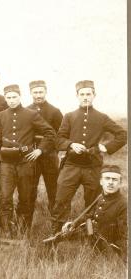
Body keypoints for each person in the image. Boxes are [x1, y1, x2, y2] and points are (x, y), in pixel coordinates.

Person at [50, 80, 127, 234]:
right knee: (61, 201)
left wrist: (105, 147)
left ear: (94, 96)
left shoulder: (102, 117)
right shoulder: (69, 116)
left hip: (93, 167)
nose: (85, 97)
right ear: (77, 96)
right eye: (82, 94)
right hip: (71, 166)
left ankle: (90, 236)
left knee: (92, 203)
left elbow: (122, 134)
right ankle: (56, 235)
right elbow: (58, 139)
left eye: (88, 94)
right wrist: (71, 145)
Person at [0, 84, 55, 237]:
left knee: (25, 198)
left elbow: (50, 133)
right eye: (8, 97)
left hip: (26, 163)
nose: (11, 100)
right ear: (5, 98)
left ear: (20, 97)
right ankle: (6, 231)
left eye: (14, 97)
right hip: (6, 163)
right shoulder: (0, 115)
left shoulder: (31, 114)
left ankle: (23, 231)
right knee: (5, 197)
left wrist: (40, 150)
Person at [60, 165, 127, 262]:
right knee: (61, 246)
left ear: (120, 183)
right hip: (91, 240)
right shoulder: (100, 197)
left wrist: (122, 258)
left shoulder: (124, 205)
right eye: (107, 178)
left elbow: (125, 237)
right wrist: (74, 223)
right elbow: (89, 215)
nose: (110, 182)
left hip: (108, 249)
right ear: (101, 182)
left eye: (114, 180)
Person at [26, 80, 63, 212]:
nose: (38, 95)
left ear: (46, 92)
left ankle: (55, 219)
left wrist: (52, 150)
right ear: (30, 93)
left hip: (49, 155)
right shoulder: (26, 110)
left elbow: (61, 134)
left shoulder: (55, 111)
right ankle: (26, 220)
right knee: (30, 189)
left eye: (41, 92)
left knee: (53, 188)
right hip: (31, 156)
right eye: (35, 92)